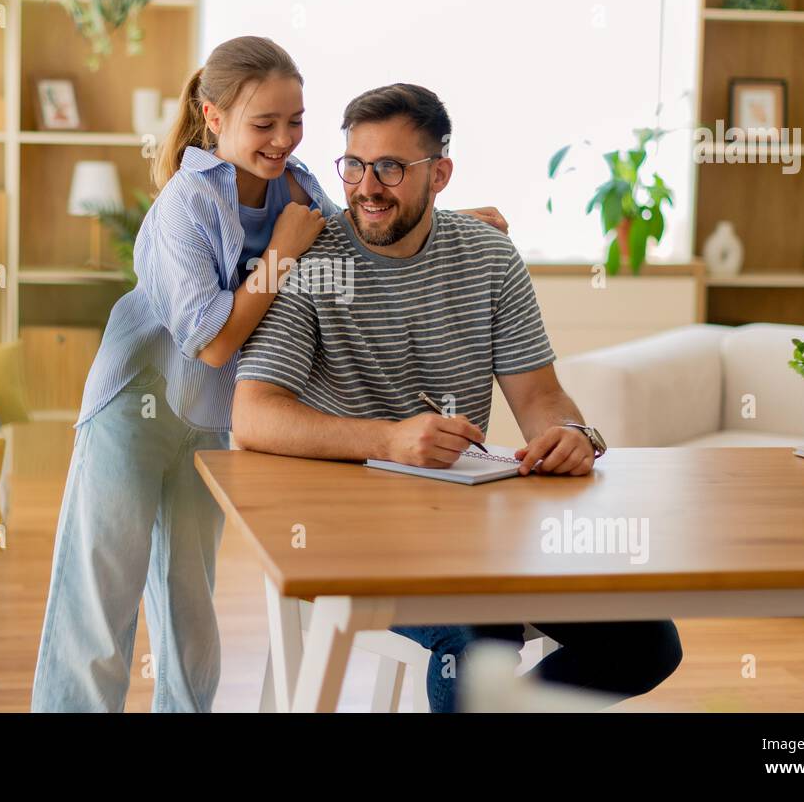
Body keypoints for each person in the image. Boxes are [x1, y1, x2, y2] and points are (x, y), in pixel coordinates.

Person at [33, 38, 508, 712]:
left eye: (296, 120)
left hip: (208, 417)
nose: (284, 139)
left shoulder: (301, 187)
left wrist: (455, 219)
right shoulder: (186, 203)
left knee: (190, 604)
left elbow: (361, 233)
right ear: (214, 116)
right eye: (265, 124)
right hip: (134, 406)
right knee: (102, 595)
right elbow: (216, 343)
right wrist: (281, 254)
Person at [232, 82, 683, 712]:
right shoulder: (311, 258)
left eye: (390, 167)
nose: (366, 186)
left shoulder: (489, 256)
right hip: (345, 535)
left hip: (471, 535)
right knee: (480, 639)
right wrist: (389, 440)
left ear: (439, 174)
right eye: (355, 164)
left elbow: (542, 397)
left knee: (647, 642)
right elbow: (252, 415)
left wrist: (571, 435)